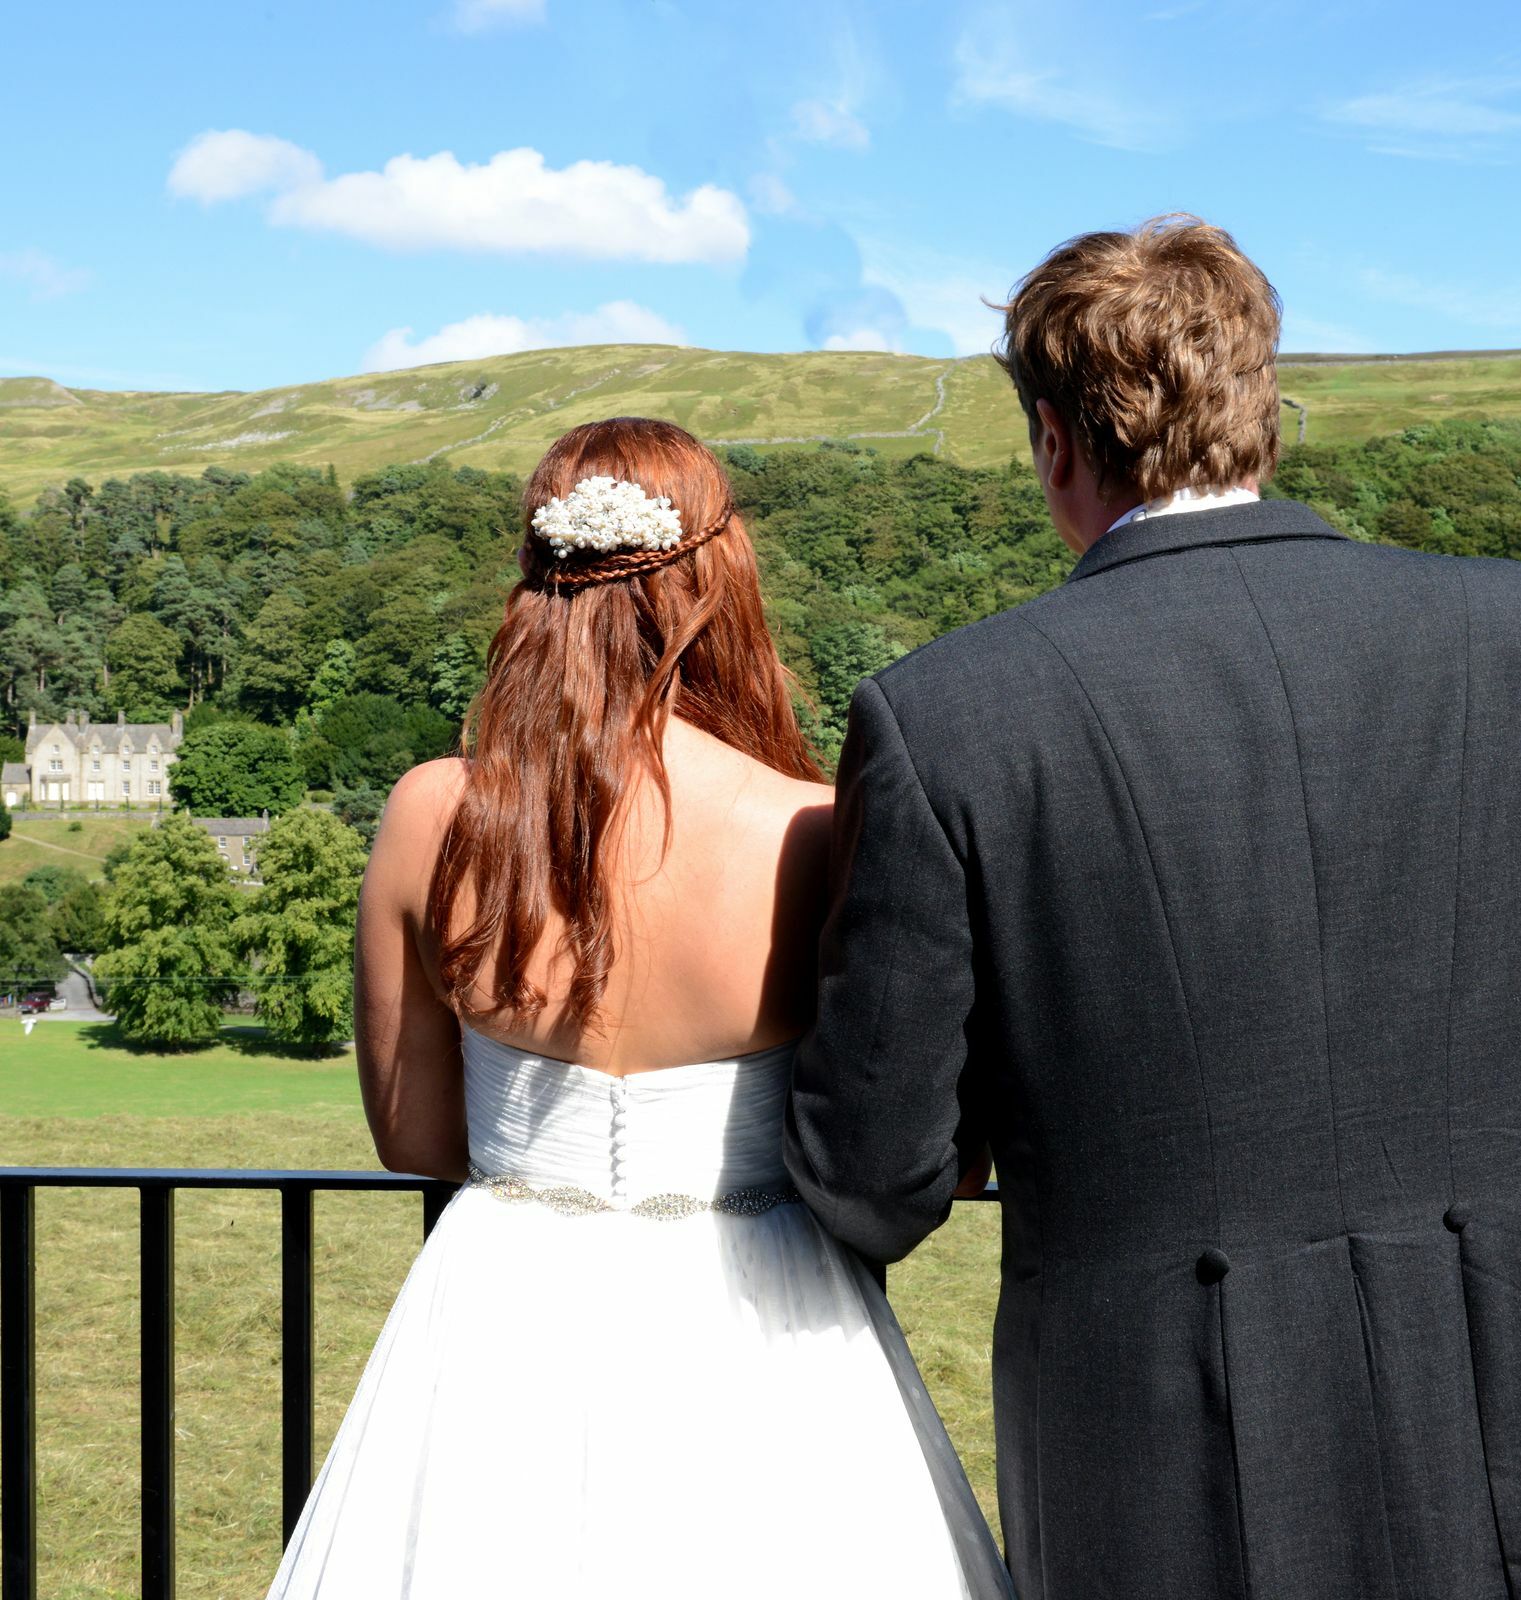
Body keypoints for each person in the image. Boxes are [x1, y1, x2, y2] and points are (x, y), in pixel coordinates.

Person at [783, 215, 1521, 1600]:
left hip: (1146, 1484)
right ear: (1266, 410)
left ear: (1053, 441)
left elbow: (877, 1177)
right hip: (1510, 1439)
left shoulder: (949, 718)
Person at [268, 417, 1012, 1598]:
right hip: (763, 1319)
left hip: (498, 1323)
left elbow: (414, 1137)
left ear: (534, 584)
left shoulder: (429, 812)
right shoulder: (810, 828)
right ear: (718, 577)